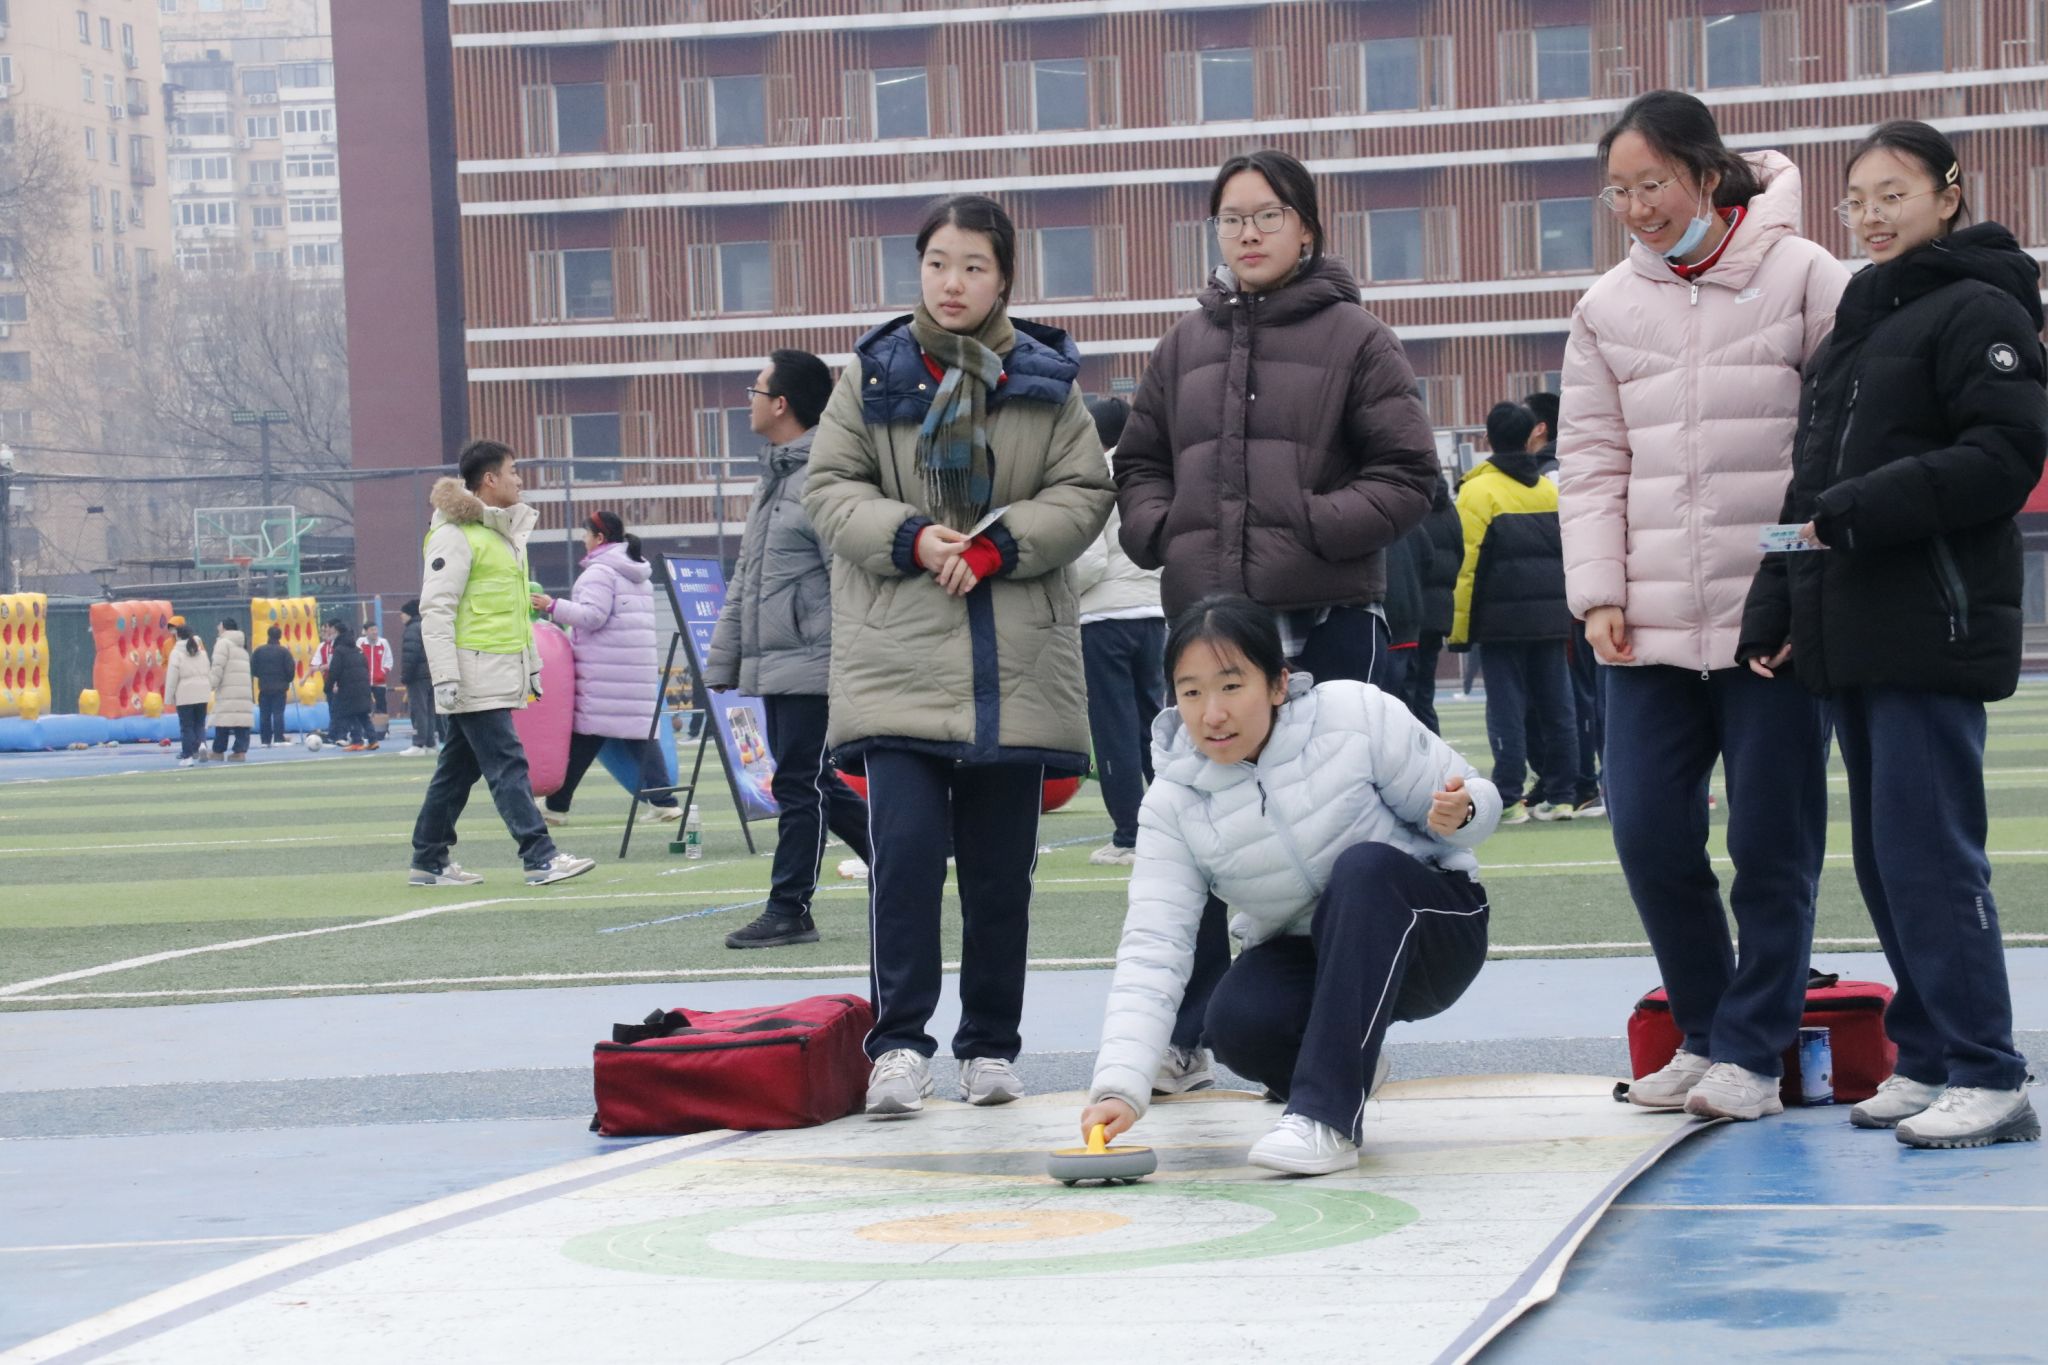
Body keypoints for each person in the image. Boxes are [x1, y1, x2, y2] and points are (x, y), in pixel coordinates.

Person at [1740, 121, 2047, 1149]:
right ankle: (1927, 1054)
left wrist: (1863, 508)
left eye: (1893, 195)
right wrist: (1774, 601)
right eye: (1856, 200)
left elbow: (2005, 454)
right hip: (1849, 627)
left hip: (1929, 623)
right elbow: (1808, 487)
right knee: (1883, 859)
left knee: (1930, 857)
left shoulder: (1982, 308)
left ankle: (1988, 1070)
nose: (1870, 217)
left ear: (1948, 196)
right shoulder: (1858, 322)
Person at [1114, 148, 1442, 1093]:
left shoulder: (1358, 338)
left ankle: (1347, 1024)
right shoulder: (1183, 344)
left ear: (1306, 228)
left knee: (1342, 834)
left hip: (1328, 616)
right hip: (1209, 625)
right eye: (1232, 218)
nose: (1248, 233)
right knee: (1202, 823)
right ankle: (1184, 1035)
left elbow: (1409, 474)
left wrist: (1310, 525)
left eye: (1267, 215)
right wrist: (1162, 529)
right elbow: (1137, 464)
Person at [1559, 90, 1848, 1121]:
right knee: (1647, 830)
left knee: (1772, 844)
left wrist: (1796, 584)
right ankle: (1702, 1030)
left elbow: (1836, 441)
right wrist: (1598, 591)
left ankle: (1752, 1052)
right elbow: (1591, 460)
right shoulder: (1606, 308)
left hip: (1771, 624)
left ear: (1707, 175)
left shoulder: (1805, 275)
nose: (1637, 208)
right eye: (1619, 191)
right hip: (1646, 627)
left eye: (1654, 184)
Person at [805, 193, 1113, 1116]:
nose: (953, 282)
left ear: (1003, 278)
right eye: (938, 262)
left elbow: (1084, 491)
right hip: (896, 660)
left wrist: (996, 544)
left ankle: (990, 1045)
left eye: (974, 265)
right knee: (902, 860)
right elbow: (831, 486)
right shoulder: (871, 376)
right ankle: (899, 1044)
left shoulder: (1048, 381)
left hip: (1010, 665)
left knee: (998, 874)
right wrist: (911, 537)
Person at [1082, 596, 1498, 1175]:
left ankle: (1327, 1119)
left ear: (1279, 684)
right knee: (1235, 1021)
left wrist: (1464, 809)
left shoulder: (1353, 713)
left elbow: (1474, 795)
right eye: (1191, 692)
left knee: (1364, 869)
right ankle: (1350, 1062)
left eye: (1232, 686)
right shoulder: (1173, 802)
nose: (1212, 714)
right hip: (1313, 955)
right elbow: (1155, 945)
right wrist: (1119, 1088)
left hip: (1428, 935)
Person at [706, 349, 873, 949]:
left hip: (813, 659)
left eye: (755, 390)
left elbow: (849, 578)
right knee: (811, 779)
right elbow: (749, 582)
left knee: (799, 784)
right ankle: (906, 861)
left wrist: (848, 660)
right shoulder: (776, 478)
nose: (748, 401)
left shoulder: (820, 480)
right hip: (781, 661)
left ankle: (789, 909)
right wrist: (725, 658)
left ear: (781, 404)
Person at [409, 439, 594, 888]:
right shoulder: (455, 535)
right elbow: (436, 609)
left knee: (458, 770)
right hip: (473, 674)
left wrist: (530, 669)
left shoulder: (501, 537)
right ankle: (539, 856)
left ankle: (429, 858)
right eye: (512, 471)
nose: (519, 480)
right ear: (489, 479)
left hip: (493, 671)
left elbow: (512, 614)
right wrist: (445, 676)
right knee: (508, 763)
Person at [1452, 401, 1579, 824]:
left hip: (1500, 624)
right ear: (1531, 437)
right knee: (1557, 707)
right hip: (1551, 620)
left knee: (1506, 709)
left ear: (1487, 438)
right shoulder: (1550, 491)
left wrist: (1460, 630)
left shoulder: (1476, 492)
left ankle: (1508, 795)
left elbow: (1467, 567)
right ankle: (1562, 794)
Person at [531, 511, 683, 826]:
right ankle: (664, 801)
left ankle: (556, 807)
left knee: (585, 739)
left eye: (586, 534)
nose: (583, 540)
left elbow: (592, 617)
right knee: (640, 736)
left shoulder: (600, 572)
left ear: (599, 538)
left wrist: (551, 605)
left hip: (604, 673)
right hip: (633, 671)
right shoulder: (637, 573)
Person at [1070, 394, 1165, 868]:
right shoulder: (1153, 473)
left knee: (1114, 731)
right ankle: (1171, 827)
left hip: (1104, 619)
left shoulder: (1094, 477)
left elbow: (1088, 561)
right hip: (1154, 612)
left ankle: (1129, 834)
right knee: (1156, 727)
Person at [1400, 472, 1462, 734]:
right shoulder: (1448, 508)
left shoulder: (1405, 504)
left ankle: (1407, 754)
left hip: (1407, 613)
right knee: (1425, 697)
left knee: (1403, 698)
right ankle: (1432, 753)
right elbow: (1459, 553)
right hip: (1438, 612)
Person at [206, 618, 254, 762]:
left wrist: (211, 684)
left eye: (219, 625)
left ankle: (218, 751)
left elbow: (218, 666)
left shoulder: (223, 643)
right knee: (242, 720)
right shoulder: (242, 645)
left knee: (223, 720)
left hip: (228, 689)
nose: (217, 627)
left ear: (224, 627)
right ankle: (240, 752)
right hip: (243, 690)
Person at [163, 624, 211, 768]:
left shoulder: (176, 652)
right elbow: (208, 670)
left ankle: (187, 756)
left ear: (177, 636)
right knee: (200, 723)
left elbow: (172, 677)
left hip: (185, 694)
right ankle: (202, 744)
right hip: (202, 692)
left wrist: (169, 698)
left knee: (186, 726)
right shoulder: (201, 652)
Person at [323, 622, 375, 751]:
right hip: (363, 687)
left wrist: (327, 687)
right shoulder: (357, 649)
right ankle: (373, 740)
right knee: (363, 715)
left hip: (348, 688)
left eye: (333, 632)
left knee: (351, 714)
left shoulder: (340, 651)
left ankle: (357, 741)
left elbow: (334, 671)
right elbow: (366, 667)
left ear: (338, 633)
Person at [398, 599, 438, 755]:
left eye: (402, 613)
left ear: (409, 613)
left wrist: (405, 676)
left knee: (418, 710)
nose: (401, 616)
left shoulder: (412, 629)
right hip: (430, 674)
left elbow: (410, 655)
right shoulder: (426, 626)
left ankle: (418, 743)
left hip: (417, 676)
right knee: (429, 711)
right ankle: (430, 743)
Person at [251, 624, 296, 747]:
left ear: (268, 635)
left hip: (264, 687)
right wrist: (286, 680)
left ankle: (265, 740)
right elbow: (290, 670)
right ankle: (278, 738)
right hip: (280, 688)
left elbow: (253, 669)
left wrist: (262, 676)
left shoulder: (259, 651)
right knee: (278, 713)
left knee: (264, 715)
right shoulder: (284, 652)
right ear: (280, 637)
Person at [359, 621, 394, 735]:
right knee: (364, 706)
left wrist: (382, 672)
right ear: (366, 632)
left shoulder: (383, 643)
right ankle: (366, 731)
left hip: (380, 682)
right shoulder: (360, 643)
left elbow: (389, 660)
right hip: (364, 681)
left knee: (381, 707)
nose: (375, 632)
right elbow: (356, 659)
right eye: (372, 630)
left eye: (375, 629)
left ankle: (382, 731)